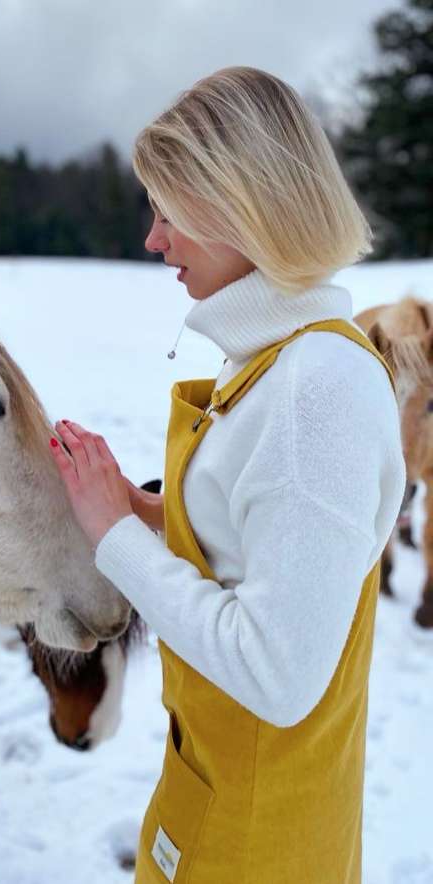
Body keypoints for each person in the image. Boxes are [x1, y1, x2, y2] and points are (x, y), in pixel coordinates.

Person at [48, 66, 406, 884]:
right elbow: (256, 545)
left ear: (240, 202)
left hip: (258, 847)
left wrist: (114, 539)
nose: (153, 239)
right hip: (213, 799)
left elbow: (277, 676)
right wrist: (140, 510)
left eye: (169, 208)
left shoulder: (317, 390)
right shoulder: (280, 366)